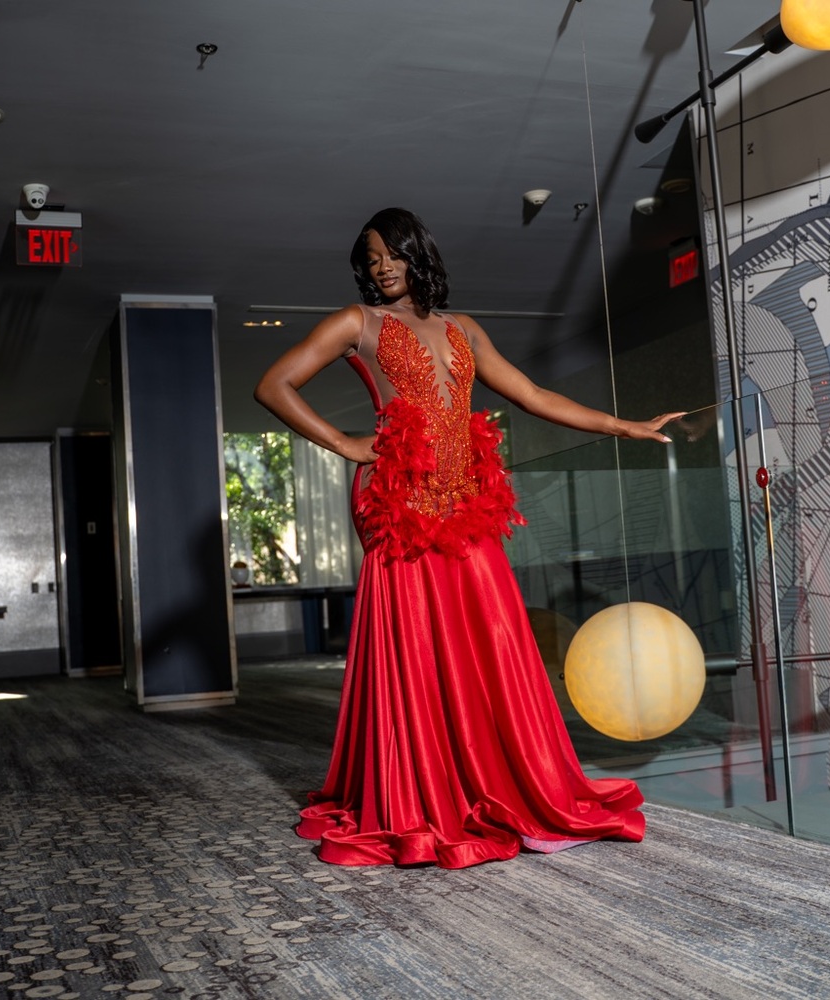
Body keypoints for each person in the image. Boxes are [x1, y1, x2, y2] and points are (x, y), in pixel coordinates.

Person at [254, 207, 684, 869]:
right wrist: (343, 443)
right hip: (400, 497)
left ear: (415, 252)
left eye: (390, 253)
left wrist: (623, 427)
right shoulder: (356, 323)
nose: (380, 268)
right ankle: (422, 793)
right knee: (418, 640)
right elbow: (272, 384)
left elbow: (532, 393)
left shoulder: (464, 328)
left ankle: (499, 780)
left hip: (466, 498)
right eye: (369, 259)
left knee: (490, 635)